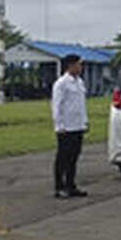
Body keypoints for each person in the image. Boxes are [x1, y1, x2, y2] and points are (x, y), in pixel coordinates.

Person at [51, 54, 89, 199]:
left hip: (77, 125)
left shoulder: (79, 82)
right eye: (79, 64)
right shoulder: (61, 83)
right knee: (63, 157)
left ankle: (71, 185)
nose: (81, 67)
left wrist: (84, 121)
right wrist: (59, 125)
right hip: (65, 127)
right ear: (70, 65)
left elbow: (81, 105)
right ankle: (59, 187)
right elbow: (57, 106)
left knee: (74, 157)